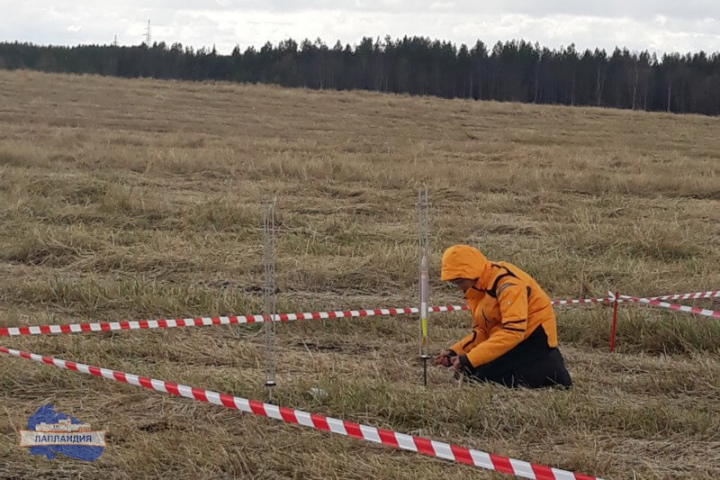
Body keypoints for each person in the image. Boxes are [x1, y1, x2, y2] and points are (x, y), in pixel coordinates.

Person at [434, 245, 572, 389]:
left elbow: (513, 332)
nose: (459, 287)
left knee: (482, 379)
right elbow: (483, 331)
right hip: (509, 338)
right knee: (470, 373)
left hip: (533, 339)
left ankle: (553, 372)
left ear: (472, 272)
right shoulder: (477, 288)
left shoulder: (508, 285)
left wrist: (469, 358)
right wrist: (456, 352)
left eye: (460, 282)